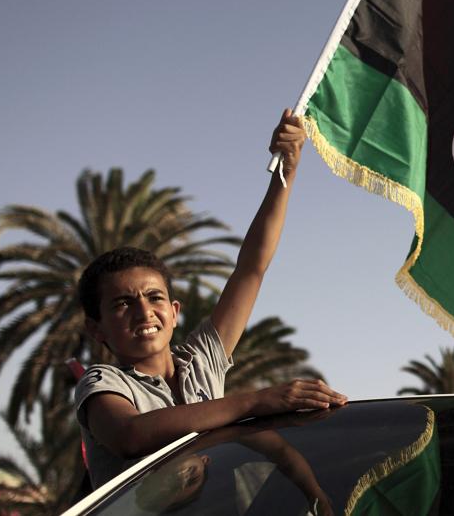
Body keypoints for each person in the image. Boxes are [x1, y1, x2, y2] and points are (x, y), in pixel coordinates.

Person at [74, 110, 347, 488]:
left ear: (173, 311)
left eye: (155, 297)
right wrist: (256, 401)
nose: (143, 311)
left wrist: (288, 174)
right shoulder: (102, 382)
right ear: (96, 328)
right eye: (122, 303)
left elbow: (252, 268)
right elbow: (128, 435)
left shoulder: (201, 361)